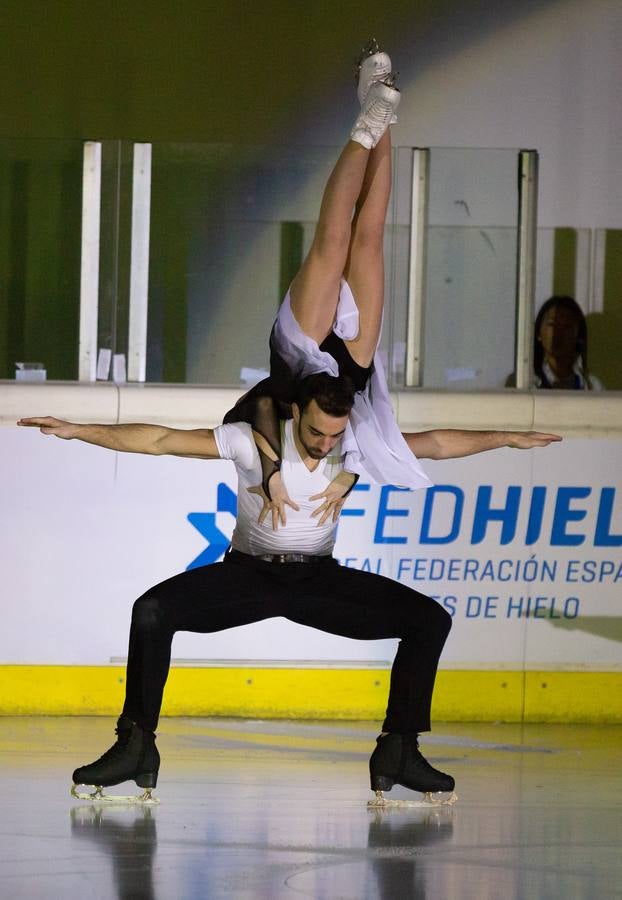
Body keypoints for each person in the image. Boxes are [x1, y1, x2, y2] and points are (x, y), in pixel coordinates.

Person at [18, 374, 561, 805]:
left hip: (318, 579)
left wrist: (506, 438)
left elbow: (435, 444)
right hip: (248, 575)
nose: (325, 445)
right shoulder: (252, 441)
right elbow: (160, 440)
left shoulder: (352, 446)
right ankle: (136, 745)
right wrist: (78, 430)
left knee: (429, 620)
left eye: (334, 436)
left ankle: (399, 749)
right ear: (296, 413)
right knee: (152, 611)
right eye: (316, 433)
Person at [224, 40, 432, 534]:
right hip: (350, 375)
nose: (322, 446)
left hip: (298, 356)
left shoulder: (269, 439)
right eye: (325, 443)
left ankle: (369, 124)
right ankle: (378, 107)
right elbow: (438, 443)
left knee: (335, 242)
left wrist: (272, 472)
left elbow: (255, 408)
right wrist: (509, 437)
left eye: (319, 440)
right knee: (368, 238)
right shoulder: (345, 459)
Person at [533, 295, 602, 390]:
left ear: (578, 335)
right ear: (539, 333)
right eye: (552, 324)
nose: (558, 332)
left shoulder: (592, 386)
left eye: (567, 326)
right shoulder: (526, 382)